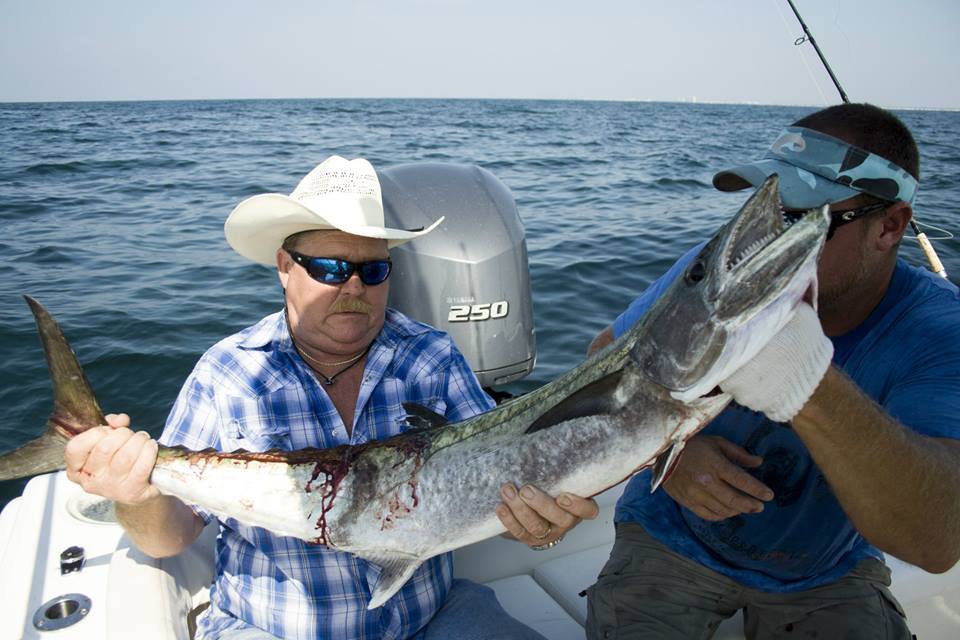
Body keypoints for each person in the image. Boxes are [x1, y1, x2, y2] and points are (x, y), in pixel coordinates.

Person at [63, 155, 597, 640]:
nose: (354, 287)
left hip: (430, 617)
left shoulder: (431, 355)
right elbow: (168, 540)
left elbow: (497, 487)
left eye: (373, 270)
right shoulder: (228, 373)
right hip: (271, 629)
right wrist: (136, 494)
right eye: (330, 268)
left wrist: (539, 529)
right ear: (284, 266)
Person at [585, 103, 960, 639]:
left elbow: (937, 540)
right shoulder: (718, 275)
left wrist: (807, 382)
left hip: (825, 569)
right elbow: (604, 356)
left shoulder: (940, 331)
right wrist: (670, 454)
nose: (763, 245)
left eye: (800, 219)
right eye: (766, 212)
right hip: (669, 534)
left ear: (889, 226)